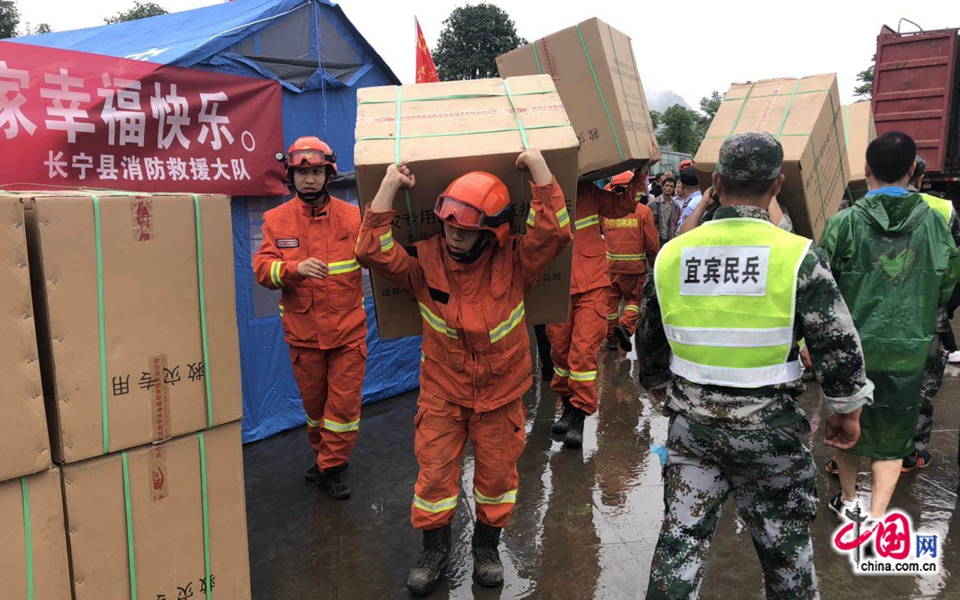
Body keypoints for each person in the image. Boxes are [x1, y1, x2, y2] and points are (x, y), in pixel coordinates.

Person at [637, 132, 873, 599]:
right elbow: (838, 345)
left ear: (717, 182)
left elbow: (648, 337)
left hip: (692, 430)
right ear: (778, 184)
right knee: (785, 553)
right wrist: (846, 411)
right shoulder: (798, 256)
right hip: (771, 433)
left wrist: (660, 385)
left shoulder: (673, 255)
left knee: (680, 545)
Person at [355, 150, 571, 594]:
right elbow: (368, 250)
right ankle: (434, 551)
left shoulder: (514, 261)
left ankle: (486, 549)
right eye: (449, 225)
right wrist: (390, 185)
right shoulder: (425, 260)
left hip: (502, 393)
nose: (454, 235)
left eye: (467, 230)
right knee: (434, 478)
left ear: (490, 230)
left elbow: (554, 232)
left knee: (496, 479)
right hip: (443, 392)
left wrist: (538, 169)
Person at [820, 131, 959, 522]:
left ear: (866, 169)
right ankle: (879, 516)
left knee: (845, 421)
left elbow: (823, 287)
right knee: (898, 427)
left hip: (851, 349)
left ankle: (849, 502)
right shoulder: (935, 223)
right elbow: (948, 284)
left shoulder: (844, 222)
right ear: (913, 170)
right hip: (909, 347)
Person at [253, 137, 366, 500]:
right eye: (302, 172)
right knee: (316, 410)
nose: (309, 179)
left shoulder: (353, 217)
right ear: (292, 175)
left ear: (329, 173)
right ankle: (325, 458)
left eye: (316, 171)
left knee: (343, 407)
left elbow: (380, 252)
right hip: (304, 337)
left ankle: (331, 466)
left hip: (348, 334)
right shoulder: (276, 220)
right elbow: (262, 272)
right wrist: (294, 268)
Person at [547, 169, 646, 448]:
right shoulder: (540, 192)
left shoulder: (588, 191)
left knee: (583, 352)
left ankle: (578, 416)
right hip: (557, 283)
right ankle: (568, 407)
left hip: (591, 282)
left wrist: (642, 173)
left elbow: (624, 205)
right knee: (560, 352)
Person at [602, 170, 661, 352]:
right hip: (634, 269)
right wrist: (653, 263)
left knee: (610, 306)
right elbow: (651, 242)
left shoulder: (606, 212)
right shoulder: (643, 211)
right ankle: (625, 327)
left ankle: (611, 338)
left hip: (610, 267)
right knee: (633, 301)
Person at [650, 176, 682, 247]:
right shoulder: (653, 204)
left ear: (674, 189)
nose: (668, 188)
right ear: (662, 187)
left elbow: (678, 224)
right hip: (656, 239)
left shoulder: (676, 207)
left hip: (670, 240)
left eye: (671, 186)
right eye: (667, 185)